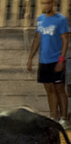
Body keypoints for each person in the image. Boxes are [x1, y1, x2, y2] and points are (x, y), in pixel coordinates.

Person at [27, 0, 69, 129]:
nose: (45, 5)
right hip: (44, 60)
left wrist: (61, 60)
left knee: (59, 89)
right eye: (43, 3)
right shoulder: (40, 19)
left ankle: (64, 118)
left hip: (56, 60)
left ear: (53, 3)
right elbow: (37, 39)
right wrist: (30, 58)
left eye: (47, 3)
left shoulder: (60, 19)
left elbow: (65, 40)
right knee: (49, 89)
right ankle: (53, 117)